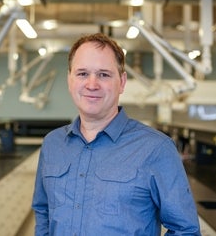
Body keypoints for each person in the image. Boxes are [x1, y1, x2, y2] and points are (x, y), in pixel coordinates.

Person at [31, 33, 201, 235]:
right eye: (82, 73)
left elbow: (186, 230)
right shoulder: (52, 144)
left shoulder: (156, 149)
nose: (92, 84)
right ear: (69, 80)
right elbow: (43, 211)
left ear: (121, 82)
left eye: (104, 74)